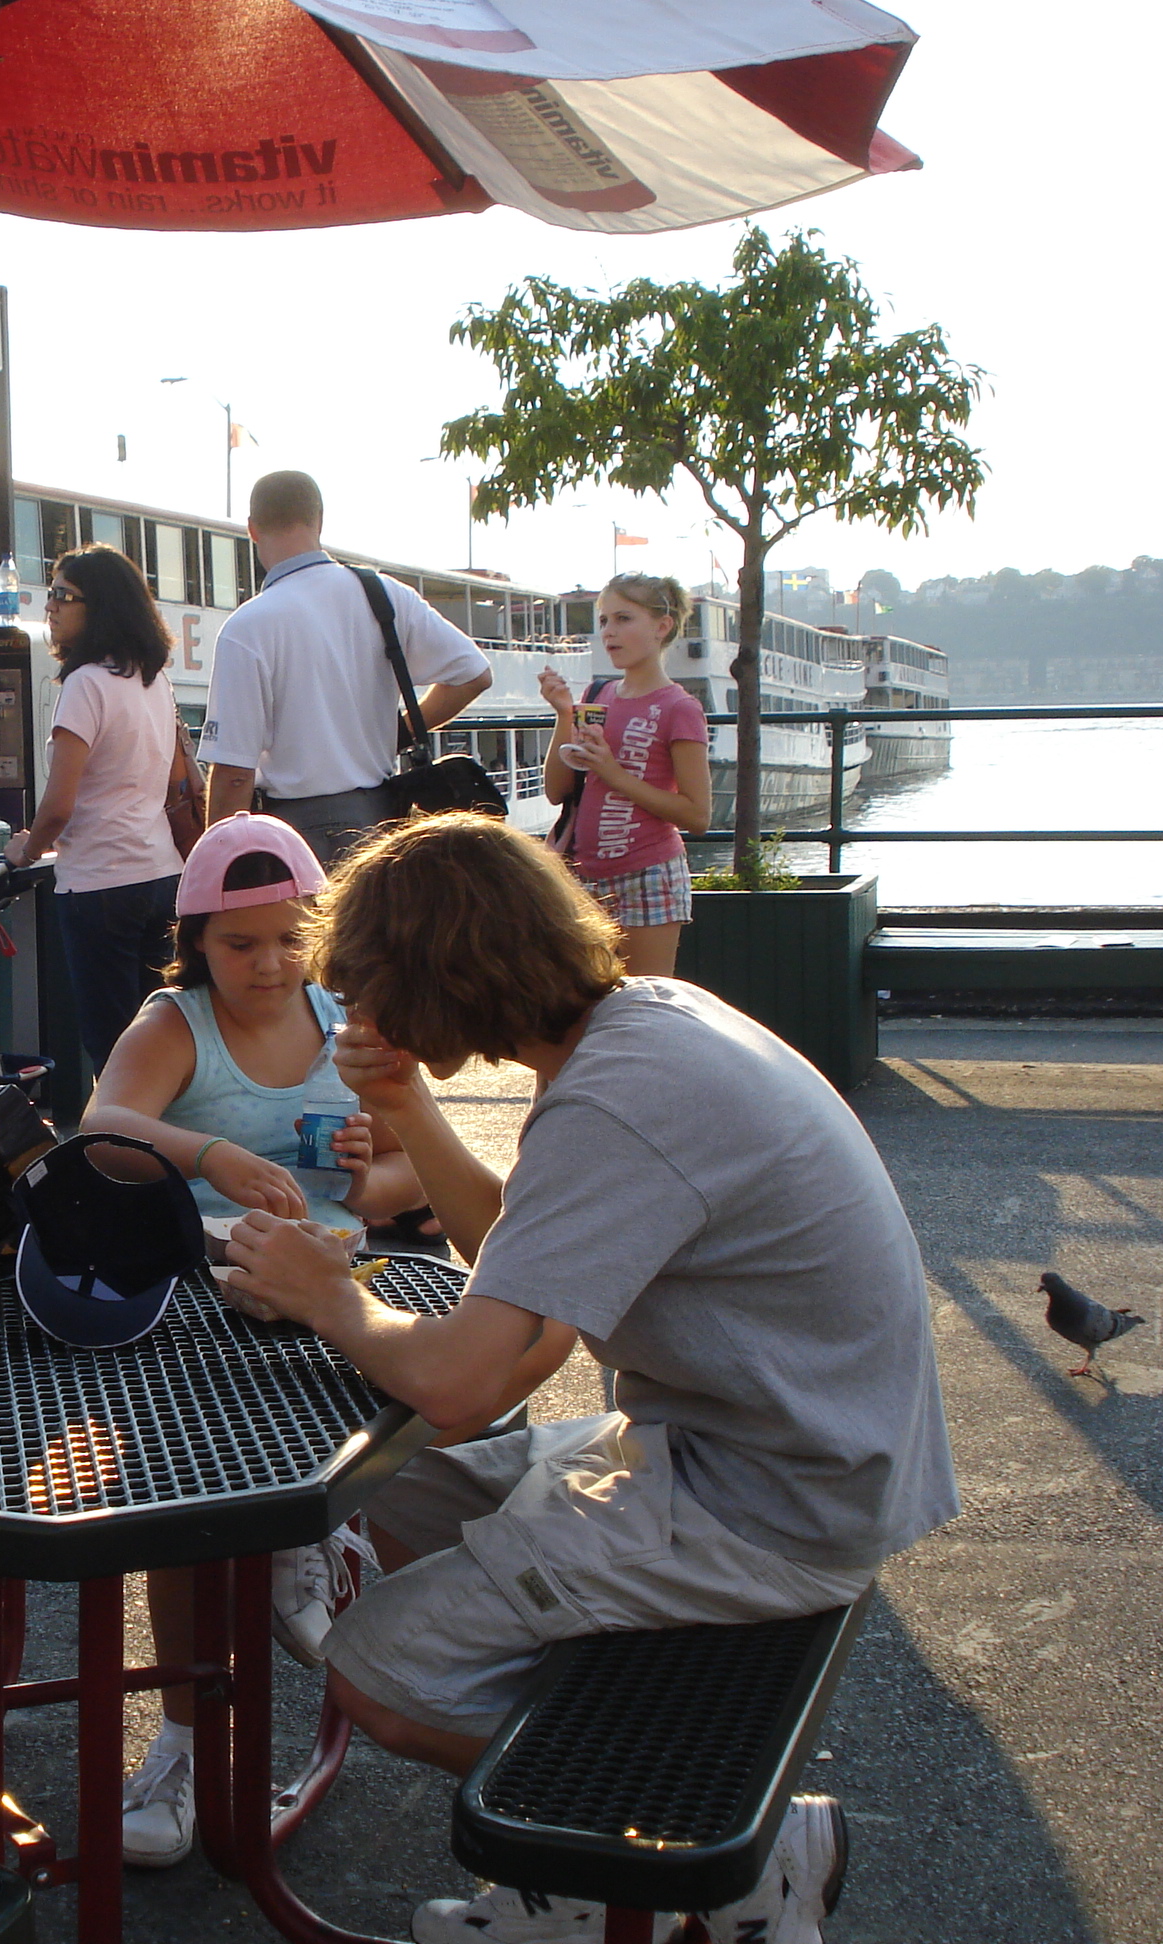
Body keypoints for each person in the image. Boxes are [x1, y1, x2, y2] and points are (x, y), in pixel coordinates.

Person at [217, 813, 958, 1944]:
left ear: (437, 979)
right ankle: (604, 1822)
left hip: (775, 1500)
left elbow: (466, 1383)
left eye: (367, 995)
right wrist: (407, 1103)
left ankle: (689, 1864)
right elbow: (517, 1249)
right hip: (768, 1445)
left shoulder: (615, 1101)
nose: (352, 1022)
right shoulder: (643, 1028)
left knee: (381, 1679)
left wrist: (331, 1298)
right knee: (391, 1504)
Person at [76, 812, 425, 1866]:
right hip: (196, 1299)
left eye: (289, 938)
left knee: (347, 1446)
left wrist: (369, 1173)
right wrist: (210, 1155)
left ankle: (315, 1540)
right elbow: (101, 1128)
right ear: (195, 942)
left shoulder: (350, 1024)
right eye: (239, 943)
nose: (269, 964)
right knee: (183, 1509)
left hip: (326, 1296)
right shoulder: (174, 1024)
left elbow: (413, 1175)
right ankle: (185, 1739)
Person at [198, 469, 493, 866]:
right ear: (319, 520)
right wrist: (400, 733)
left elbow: (234, 773)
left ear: (252, 529)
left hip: (297, 835)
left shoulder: (247, 627)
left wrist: (216, 866)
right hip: (383, 822)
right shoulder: (384, 595)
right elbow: (474, 675)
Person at [4, 545, 185, 1075]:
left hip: (101, 883)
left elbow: (58, 805)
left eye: (63, 595)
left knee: (113, 1049)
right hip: (162, 874)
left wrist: (26, 850)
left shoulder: (85, 684)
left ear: (100, 605)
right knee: (161, 1038)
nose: (50, 607)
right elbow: (173, 780)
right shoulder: (154, 680)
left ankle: (122, 1128)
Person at [541, 573, 713, 977]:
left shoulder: (679, 708)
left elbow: (698, 815)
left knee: (645, 999)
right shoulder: (596, 697)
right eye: (604, 620)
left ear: (662, 626)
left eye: (623, 619)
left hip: (648, 874)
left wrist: (614, 774)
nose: (609, 632)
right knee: (580, 999)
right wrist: (564, 714)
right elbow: (557, 791)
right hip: (583, 874)